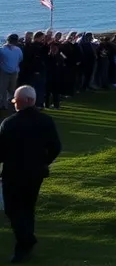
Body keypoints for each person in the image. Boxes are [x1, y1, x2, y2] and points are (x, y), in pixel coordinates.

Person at [0, 85, 62, 263]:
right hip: (36, 173)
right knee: (28, 208)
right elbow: (56, 147)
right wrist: (44, 161)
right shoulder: (46, 121)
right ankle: (25, 245)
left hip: (13, 173)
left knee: (13, 209)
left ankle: (26, 240)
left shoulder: (9, 123)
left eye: (16, 100)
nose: (15, 104)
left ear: (26, 101)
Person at [0, 39, 21, 115]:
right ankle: (7, 106)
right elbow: (20, 59)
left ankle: (7, 106)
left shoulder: (3, 49)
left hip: (8, 72)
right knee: (7, 90)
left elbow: (20, 59)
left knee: (5, 90)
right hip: (8, 72)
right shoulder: (3, 50)